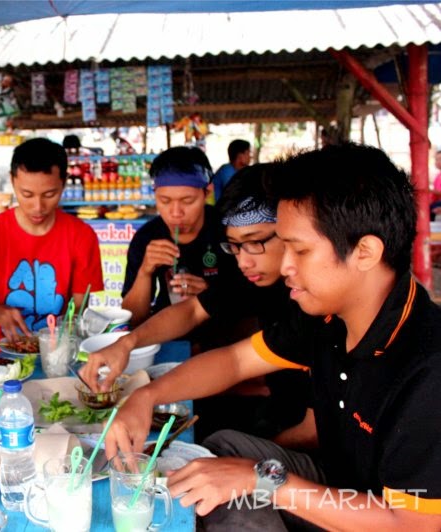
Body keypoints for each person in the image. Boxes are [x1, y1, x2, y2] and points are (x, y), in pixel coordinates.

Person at [103, 144, 441, 530]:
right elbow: (234, 361)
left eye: (298, 250)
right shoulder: (326, 314)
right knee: (223, 450)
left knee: (232, 481)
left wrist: (263, 479)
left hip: (377, 515)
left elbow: (411, 525)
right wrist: (146, 397)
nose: (284, 266)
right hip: (332, 480)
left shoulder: (426, 367)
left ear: (364, 251)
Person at [82, 164, 313, 442]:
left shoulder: (315, 304)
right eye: (235, 247)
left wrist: (246, 467)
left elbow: (313, 432)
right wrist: (127, 345)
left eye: (254, 243)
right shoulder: (253, 273)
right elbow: (195, 314)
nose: (243, 261)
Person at [0, 137, 104, 358]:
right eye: (27, 195)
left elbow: (79, 309)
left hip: (54, 355)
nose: (38, 207)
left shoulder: (81, 236)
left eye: (49, 195)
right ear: (12, 181)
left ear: (64, 182)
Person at [120, 146, 249, 351]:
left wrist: (210, 296)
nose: (176, 213)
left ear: (206, 192)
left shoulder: (228, 230)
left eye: (187, 201)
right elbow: (133, 318)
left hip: (225, 343)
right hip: (166, 340)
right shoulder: (146, 238)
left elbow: (253, 306)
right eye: (165, 201)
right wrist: (145, 271)